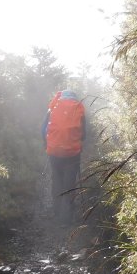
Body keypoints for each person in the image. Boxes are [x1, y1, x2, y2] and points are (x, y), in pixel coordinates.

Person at [42, 89, 87, 222]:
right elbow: (84, 135)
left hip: (54, 152)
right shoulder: (78, 110)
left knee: (57, 179)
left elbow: (43, 130)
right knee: (69, 184)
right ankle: (66, 218)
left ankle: (56, 212)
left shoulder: (53, 108)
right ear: (74, 99)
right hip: (72, 154)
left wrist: (47, 144)